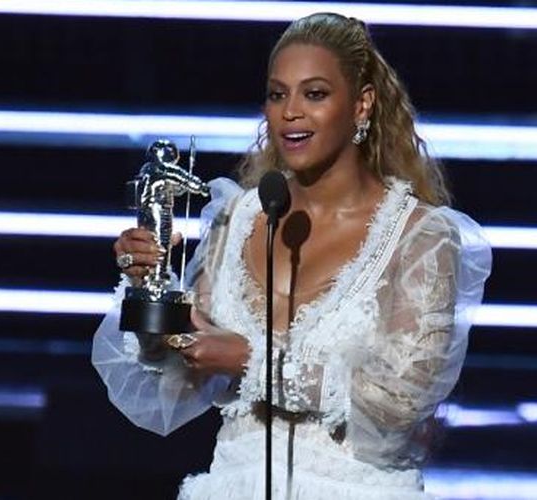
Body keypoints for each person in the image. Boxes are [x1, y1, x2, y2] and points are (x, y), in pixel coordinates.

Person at [93, 12, 492, 500]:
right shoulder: (234, 220)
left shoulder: (419, 238)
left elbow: (399, 404)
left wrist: (250, 360)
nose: (290, 112)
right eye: (277, 94)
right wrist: (147, 289)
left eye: (315, 94)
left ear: (362, 104)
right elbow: (173, 379)